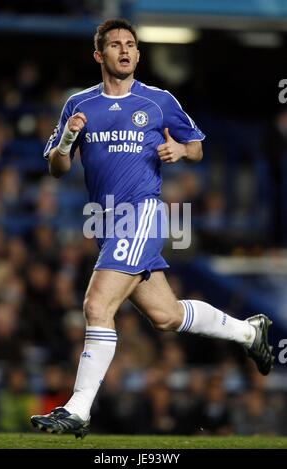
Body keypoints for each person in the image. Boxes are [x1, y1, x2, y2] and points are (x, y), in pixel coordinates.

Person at [31, 18, 274, 438]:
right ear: (99, 55)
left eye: (131, 45)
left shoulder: (159, 100)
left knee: (96, 305)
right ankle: (250, 331)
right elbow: (57, 167)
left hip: (141, 214)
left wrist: (179, 148)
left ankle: (78, 410)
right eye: (115, 45)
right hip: (107, 224)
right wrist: (69, 139)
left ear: (138, 54)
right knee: (166, 316)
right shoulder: (79, 105)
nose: (124, 51)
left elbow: (197, 148)